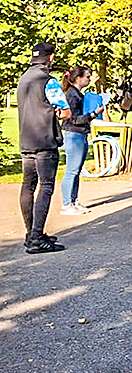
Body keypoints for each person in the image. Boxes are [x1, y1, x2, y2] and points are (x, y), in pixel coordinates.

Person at [17, 42, 70, 254]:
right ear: (50, 58)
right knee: (46, 186)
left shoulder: (23, 80)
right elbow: (64, 111)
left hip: (27, 140)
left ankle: (31, 233)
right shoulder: (48, 81)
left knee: (28, 186)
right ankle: (37, 238)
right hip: (45, 141)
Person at [60, 66, 104, 215]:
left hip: (80, 134)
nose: (89, 79)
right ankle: (66, 204)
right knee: (71, 171)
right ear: (78, 78)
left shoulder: (78, 94)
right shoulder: (72, 95)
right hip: (74, 135)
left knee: (76, 171)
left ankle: (73, 201)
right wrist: (93, 114)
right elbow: (73, 119)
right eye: (87, 77)